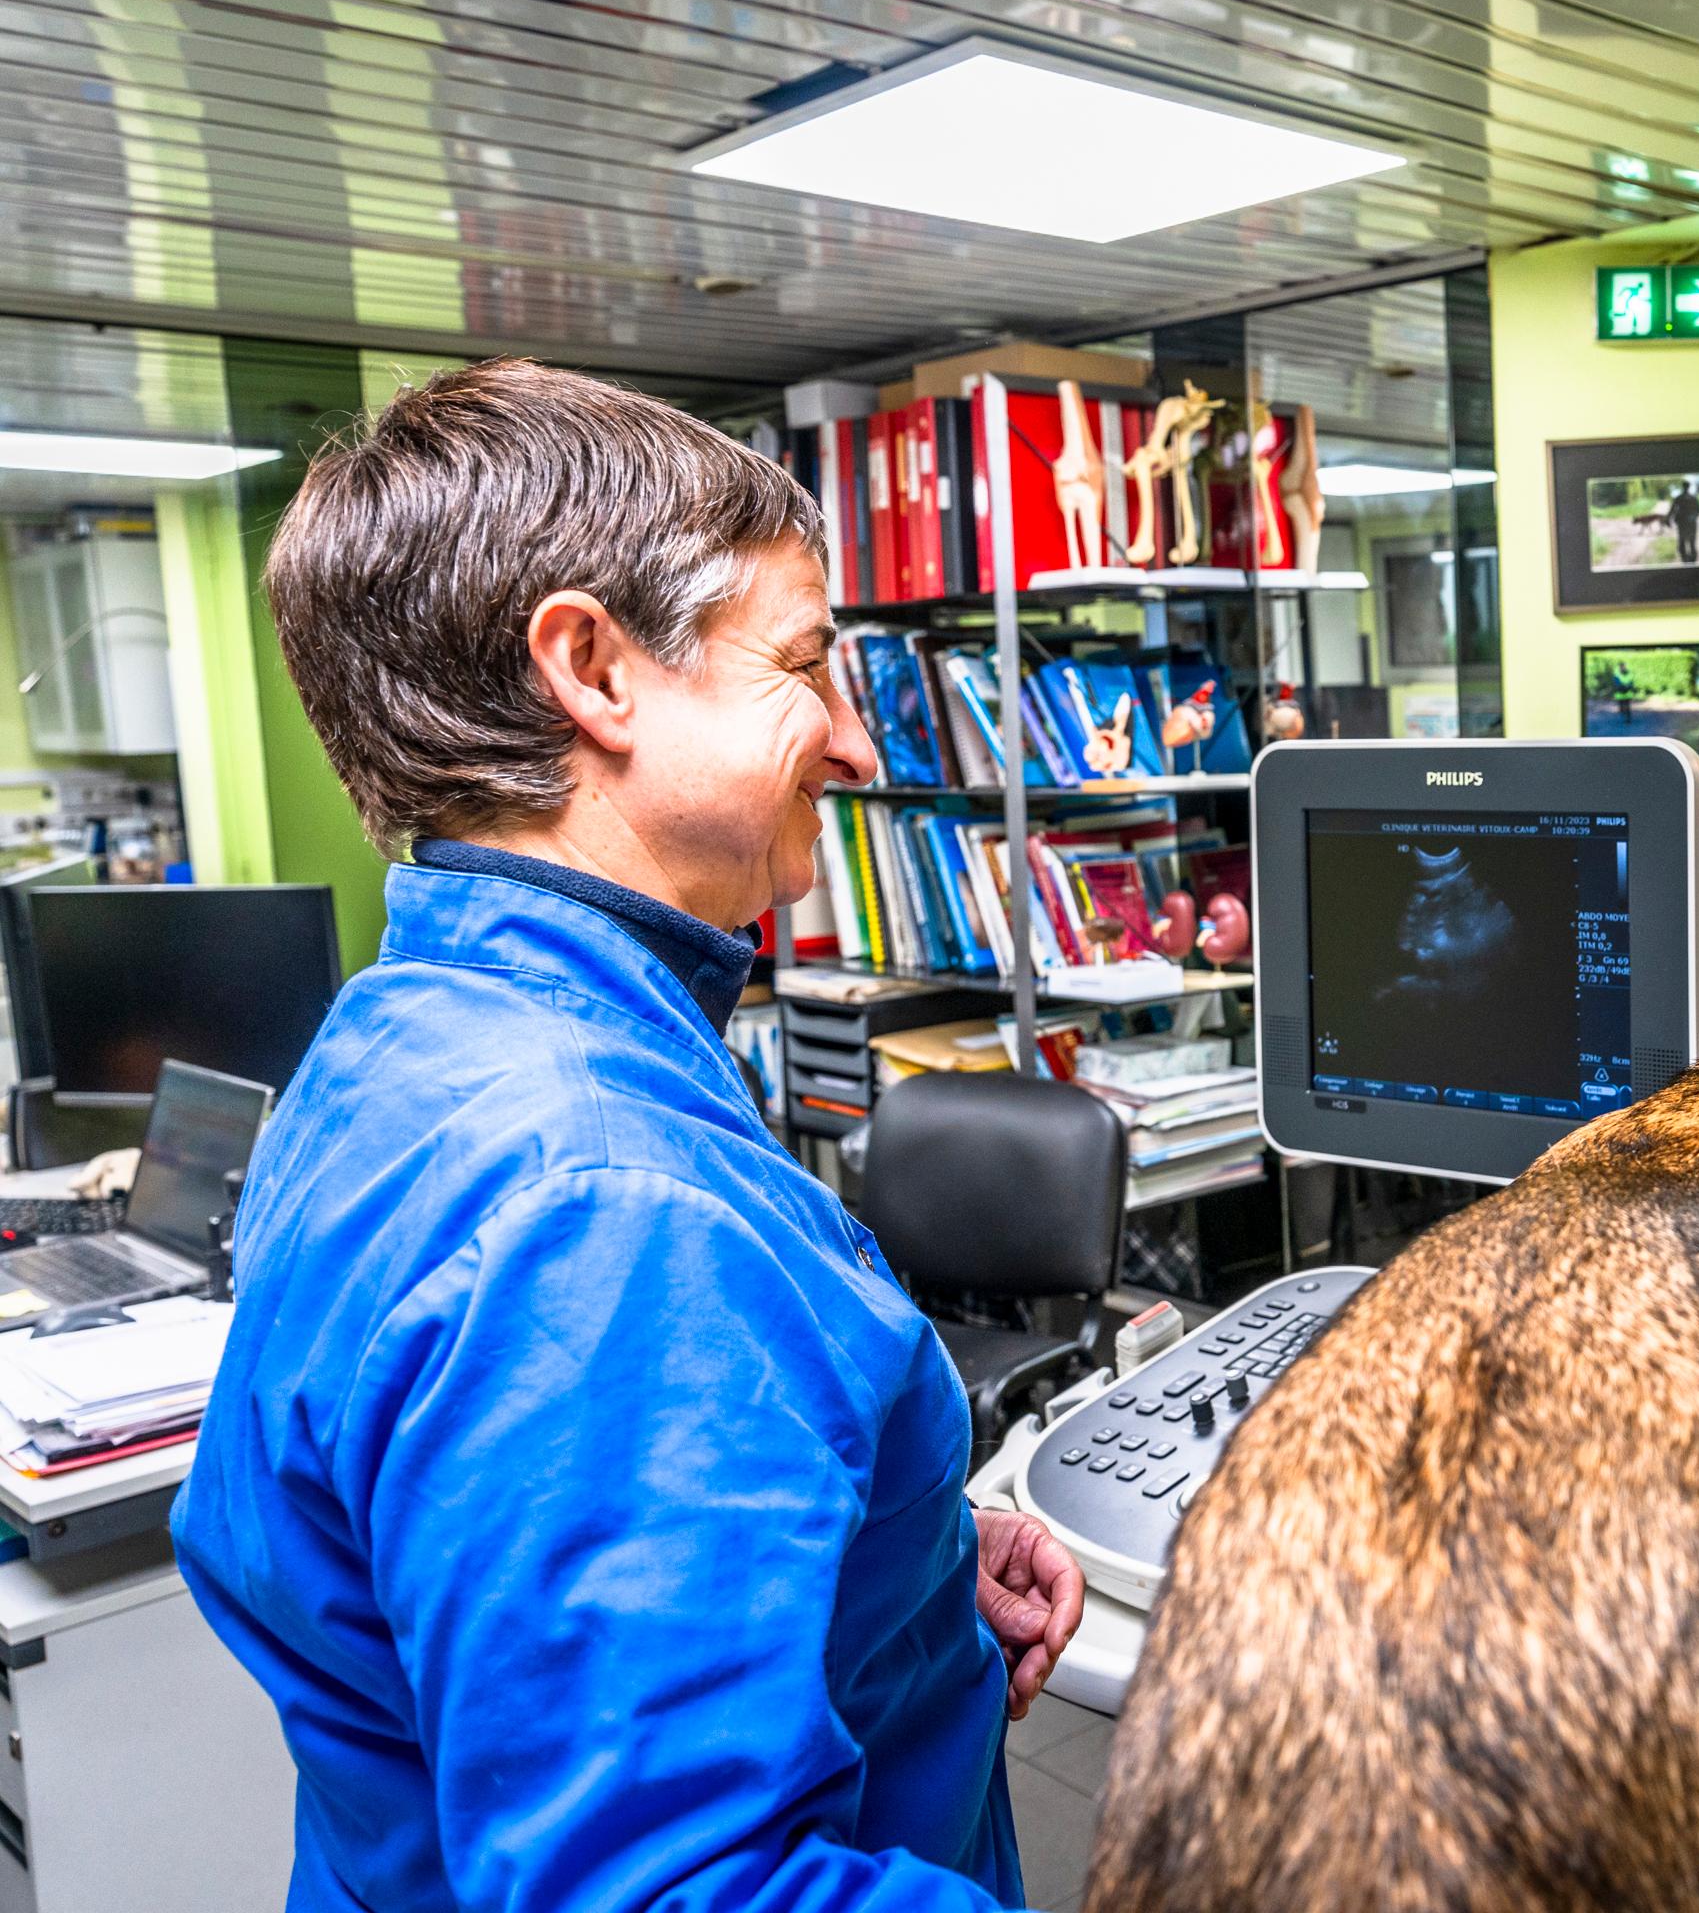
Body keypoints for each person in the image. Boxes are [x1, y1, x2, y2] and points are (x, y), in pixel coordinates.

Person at [172, 360, 1084, 1911]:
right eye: (804, 662)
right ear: (592, 667)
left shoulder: (412, 1033)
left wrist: (900, 1565)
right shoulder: (596, 1205)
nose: (858, 745)